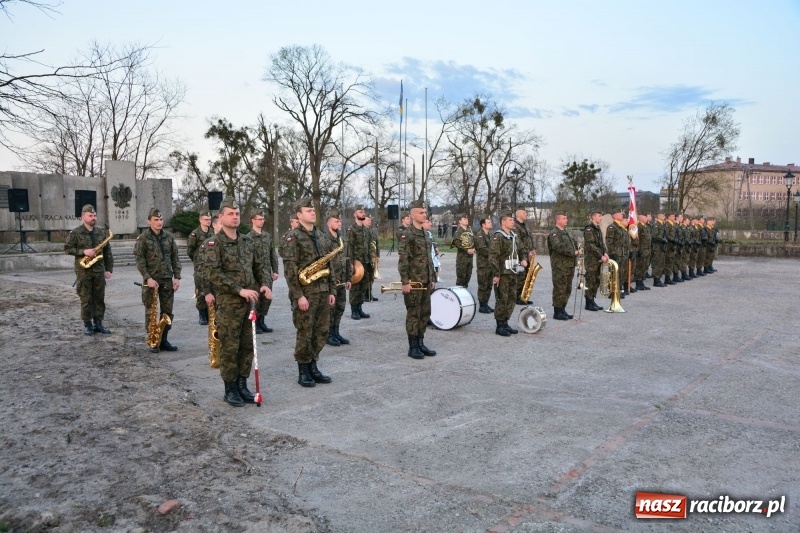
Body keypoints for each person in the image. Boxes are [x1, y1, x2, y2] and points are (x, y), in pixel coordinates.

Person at [203, 197, 273, 407]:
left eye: (237, 214)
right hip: (229, 304)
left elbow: (261, 265)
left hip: (250, 302)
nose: (235, 217)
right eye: (230, 214)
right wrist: (239, 290)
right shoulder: (213, 244)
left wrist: (265, 284)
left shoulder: (247, 241)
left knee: (247, 346)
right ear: (221, 217)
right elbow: (214, 273)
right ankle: (230, 388)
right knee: (230, 347)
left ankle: (242, 385)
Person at [283, 197, 337, 386]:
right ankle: (303, 370)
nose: (312, 212)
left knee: (321, 331)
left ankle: (314, 366)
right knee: (305, 332)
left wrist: (331, 290)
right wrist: (298, 296)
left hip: (323, 291)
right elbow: (290, 270)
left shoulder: (321, 236)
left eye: (313, 210)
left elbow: (329, 265)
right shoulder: (293, 237)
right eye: (308, 210)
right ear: (299, 215)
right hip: (306, 294)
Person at [134, 208, 181, 353]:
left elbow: (175, 258)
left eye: (161, 220)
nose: (159, 222)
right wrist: (148, 278)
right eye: (156, 220)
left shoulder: (169, 237)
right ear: (149, 221)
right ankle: (153, 340)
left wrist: (177, 277)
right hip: (151, 281)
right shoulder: (143, 238)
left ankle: (164, 339)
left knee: (167, 312)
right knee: (151, 311)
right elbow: (140, 260)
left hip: (167, 279)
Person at [65, 204, 114, 335]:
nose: (94, 217)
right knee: (86, 299)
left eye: (95, 215)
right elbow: (67, 249)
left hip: (98, 270)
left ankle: (98, 324)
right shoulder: (75, 233)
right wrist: (83, 251)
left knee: (99, 298)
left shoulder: (101, 232)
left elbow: (107, 252)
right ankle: (87, 325)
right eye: (90, 215)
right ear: (83, 217)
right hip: (83, 271)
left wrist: (109, 269)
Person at [398, 200, 437, 359]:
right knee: (414, 313)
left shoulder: (426, 234)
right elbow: (403, 260)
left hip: (426, 280)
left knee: (425, 313)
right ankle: (412, 346)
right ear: (413, 215)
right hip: (414, 281)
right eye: (421, 212)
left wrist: (432, 277)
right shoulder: (408, 234)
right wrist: (405, 282)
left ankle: (421, 343)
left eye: (425, 212)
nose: (424, 215)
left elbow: (429, 258)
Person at [490, 212, 524, 336]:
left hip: (513, 272)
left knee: (512, 298)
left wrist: (524, 258)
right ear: (503, 222)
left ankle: (505, 322)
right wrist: (496, 274)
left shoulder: (514, 236)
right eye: (510, 220)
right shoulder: (498, 236)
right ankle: (499, 325)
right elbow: (493, 256)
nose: (512, 222)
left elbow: (521, 249)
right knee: (502, 298)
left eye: (513, 220)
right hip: (503, 273)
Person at [246, 209, 280, 333]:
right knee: (256, 300)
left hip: (267, 273)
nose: (262, 221)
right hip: (255, 274)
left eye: (263, 219)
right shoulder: (248, 238)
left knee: (266, 299)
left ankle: (262, 321)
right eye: (259, 219)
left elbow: (273, 254)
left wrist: (275, 270)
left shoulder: (267, 236)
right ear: (253, 221)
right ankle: (254, 323)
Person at [324, 209, 351, 347]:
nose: (339, 223)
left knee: (340, 308)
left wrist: (348, 278)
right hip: (331, 281)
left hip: (342, 280)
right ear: (329, 223)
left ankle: (336, 331)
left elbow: (347, 259)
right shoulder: (324, 240)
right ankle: (328, 334)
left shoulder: (342, 238)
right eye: (336, 221)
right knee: (330, 309)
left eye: (340, 220)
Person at [547, 211, 580, 320]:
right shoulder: (554, 233)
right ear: (558, 220)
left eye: (566, 218)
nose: (567, 220)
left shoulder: (567, 232)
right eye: (564, 218)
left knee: (567, 289)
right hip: (560, 266)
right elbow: (558, 247)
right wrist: (573, 252)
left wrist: (578, 250)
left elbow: (574, 244)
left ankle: (563, 309)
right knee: (559, 288)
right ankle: (557, 311)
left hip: (569, 265)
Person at [186, 211, 214, 325]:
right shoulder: (195, 234)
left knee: (212, 289)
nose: (208, 221)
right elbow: (190, 251)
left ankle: (210, 313)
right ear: (200, 220)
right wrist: (197, 262)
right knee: (201, 290)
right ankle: (202, 315)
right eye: (206, 219)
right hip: (200, 267)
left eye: (209, 219)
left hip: (212, 266)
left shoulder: (213, 232)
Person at [347, 204, 372, 320]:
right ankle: (354, 310)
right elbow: (349, 247)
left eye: (363, 212)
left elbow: (369, 245)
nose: (363, 214)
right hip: (356, 262)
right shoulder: (352, 230)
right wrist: (351, 264)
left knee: (363, 287)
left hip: (366, 262)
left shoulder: (366, 230)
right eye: (360, 212)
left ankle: (360, 308)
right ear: (355, 214)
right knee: (355, 287)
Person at [582, 210, 607, 310]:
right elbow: (591, 245)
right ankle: (588, 302)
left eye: (601, 216)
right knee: (591, 280)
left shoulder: (597, 228)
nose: (601, 218)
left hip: (598, 259)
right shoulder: (589, 229)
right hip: (591, 260)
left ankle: (592, 300)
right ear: (593, 217)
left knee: (596, 280)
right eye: (599, 216)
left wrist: (605, 252)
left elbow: (601, 242)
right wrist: (601, 255)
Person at [605, 208, 630, 299]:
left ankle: (618, 289)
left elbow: (625, 242)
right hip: (616, 254)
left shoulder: (621, 227)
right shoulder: (612, 227)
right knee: (614, 273)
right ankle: (612, 291)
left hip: (623, 254)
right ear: (614, 216)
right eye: (619, 214)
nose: (622, 215)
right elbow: (609, 242)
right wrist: (613, 253)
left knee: (621, 272)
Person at [513, 208, 537, 304]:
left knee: (527, 275)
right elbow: (518, 241)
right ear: (518, 215)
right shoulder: (515, 226)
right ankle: (517, 297)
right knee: (520, 276)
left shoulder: (525, 225)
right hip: (520, 255)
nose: (526, 214)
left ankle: (524, 296)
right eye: (524, 213)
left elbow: (530, 238)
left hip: (529, 254)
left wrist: (533, 249)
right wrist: (528, 252)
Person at [474, 216, 494, 313]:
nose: (491, 223)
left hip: (490, 264)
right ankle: (482, 305)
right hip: (483, 265)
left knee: (489, 285)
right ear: (483, 225)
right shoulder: (480, 235)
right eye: (488, 222)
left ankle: (486, 304)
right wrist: (494, 254)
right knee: (483, 285)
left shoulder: (490, 235)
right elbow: (482, 249)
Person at [451, 214, 475, 287]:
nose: (466, 220)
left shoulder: (469, 230)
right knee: (461, 276)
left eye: (467, 219)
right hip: (462, 257)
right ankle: (459, 293)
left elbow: (473, 241)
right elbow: (457, 243)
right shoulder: (458, 231)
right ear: (460, 221)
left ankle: (465, 290)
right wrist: (466, 250)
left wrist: (474, 248)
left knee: (468, 275)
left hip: (470, 257)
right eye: (464, 219)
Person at [364, 213, 379, 302]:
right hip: (366, 257)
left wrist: (378, 255)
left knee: (371, 277)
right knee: (365, 277)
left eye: (370, 220)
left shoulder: (372, 231)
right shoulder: (363, 231)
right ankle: (365, 294)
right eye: (368, 220)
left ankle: (370, 294)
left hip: (372, 257)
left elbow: (376, 243)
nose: (370, 221)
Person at [634, 213, 652, 290]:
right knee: (640, 267)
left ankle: (642, 282)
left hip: (647, 250)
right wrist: (638, 249)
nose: (646, 218)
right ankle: (638, 283)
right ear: (640, 218)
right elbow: (637, 239)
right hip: (641, 250)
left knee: (645, 267)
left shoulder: (645, 226)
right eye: (645, 217)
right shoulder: (639, 227)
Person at [651, 212, 668, 286]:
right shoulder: (656, 225)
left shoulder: (663, 225)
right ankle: (656, 280)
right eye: (663, 215)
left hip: (662, 247)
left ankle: (659, 278)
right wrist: (662, 239)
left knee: (661, 263)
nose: (664, 217)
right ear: (658, 216)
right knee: (657, 264)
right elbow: (654, 236)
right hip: (657, 247)